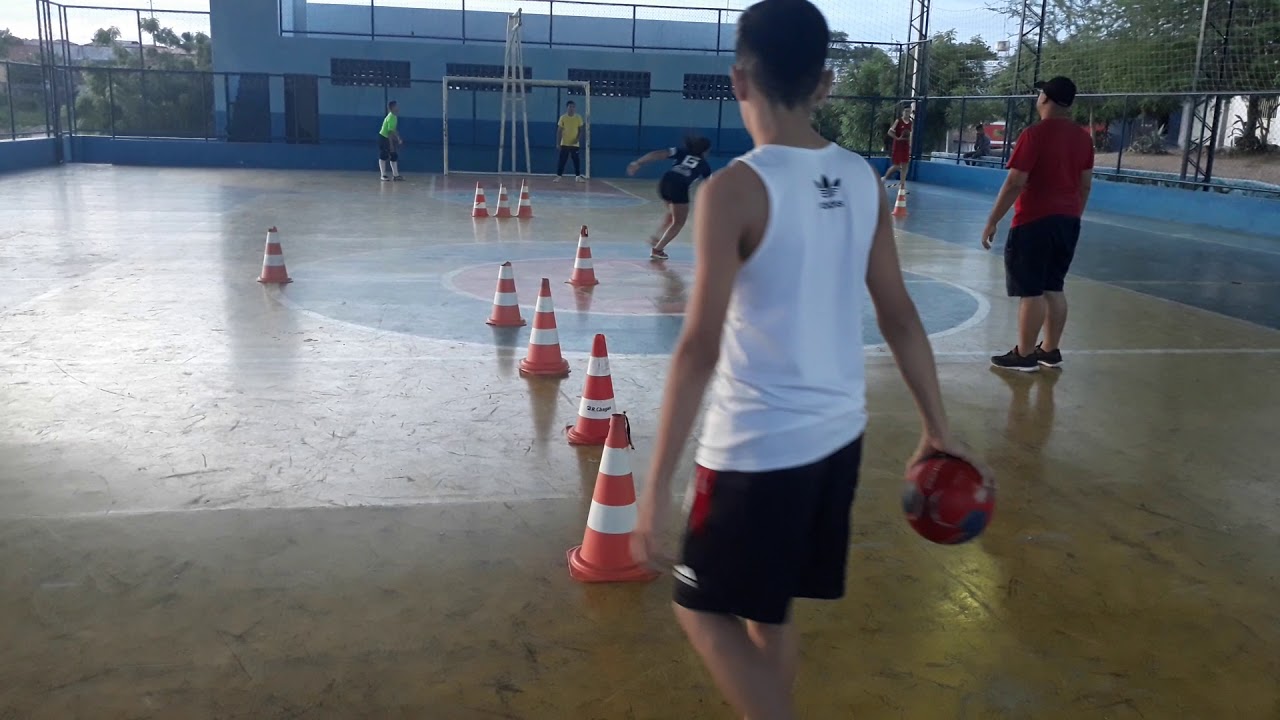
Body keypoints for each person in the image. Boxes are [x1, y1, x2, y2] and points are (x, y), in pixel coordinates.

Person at [629, 1, 986, 718]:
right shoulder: (862, 178)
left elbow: (698, 346)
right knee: (773, 612)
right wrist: (935, 427)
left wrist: (655, 485)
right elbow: (898, 313)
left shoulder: (734, 189)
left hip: (756, 453)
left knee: (700, 610)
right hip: (836, 444)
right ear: (824, 84)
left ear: (739, 80)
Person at [982, 76, 1094, 372]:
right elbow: (1085, 186)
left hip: (1034, 221)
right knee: (1053, 286)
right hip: (1068, 221)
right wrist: (1072, 215)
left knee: (1031, 291)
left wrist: (993, 220)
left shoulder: (1034, 135)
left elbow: (1015, 181)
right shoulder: (1084, 138)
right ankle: (1050, 350)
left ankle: (1025, 354)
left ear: (1045, 99)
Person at [627, 136, 713, 260]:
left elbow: (657, 154)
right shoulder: (705, 165)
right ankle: (658, 249)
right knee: (678, 222)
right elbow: (709, 186)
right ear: (706, 151)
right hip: (679, 186)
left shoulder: (681, 151)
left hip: (665, 182)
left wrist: (638, 163)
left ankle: (657, 237)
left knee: (673, 214)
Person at [882, 104, 913, 187]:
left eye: (909, 111)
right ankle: (884, 178)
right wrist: (897, 138)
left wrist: (910, 146)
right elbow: (890, 132)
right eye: (906, 111)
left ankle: (902, 184)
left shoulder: (910, 122)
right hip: (898, 146)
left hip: (905, 146)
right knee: (896, 166)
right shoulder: (898, 121)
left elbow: (910, 135)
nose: (907, 113)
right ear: (903, 112)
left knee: (905, 165)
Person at [555, 101, 586, 183]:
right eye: (570, 107)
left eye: (573, 107)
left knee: (576, 160)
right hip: (564, 143)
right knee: (562, 160)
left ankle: (578, 176)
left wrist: (578, 139)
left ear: (575, 108)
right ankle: (559, 176)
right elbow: (559, 131)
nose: (571, 108)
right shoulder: (563, 118)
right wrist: (558, 143)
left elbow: (581, 130)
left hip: (575, 144)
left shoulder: (578, 117)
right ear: (567, 108)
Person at [377, 100, 403, 182]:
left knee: (394, 155)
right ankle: (383, 175)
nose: (398, 108)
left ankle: (396, 175)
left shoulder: (394, 117)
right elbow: (389, 133)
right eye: (396, 106)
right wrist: (391, 145)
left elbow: (394, 130)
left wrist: (398, 138)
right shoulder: (391, 117)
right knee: (384, 155)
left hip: (388, 137)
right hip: (384, 137)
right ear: (392, 108)